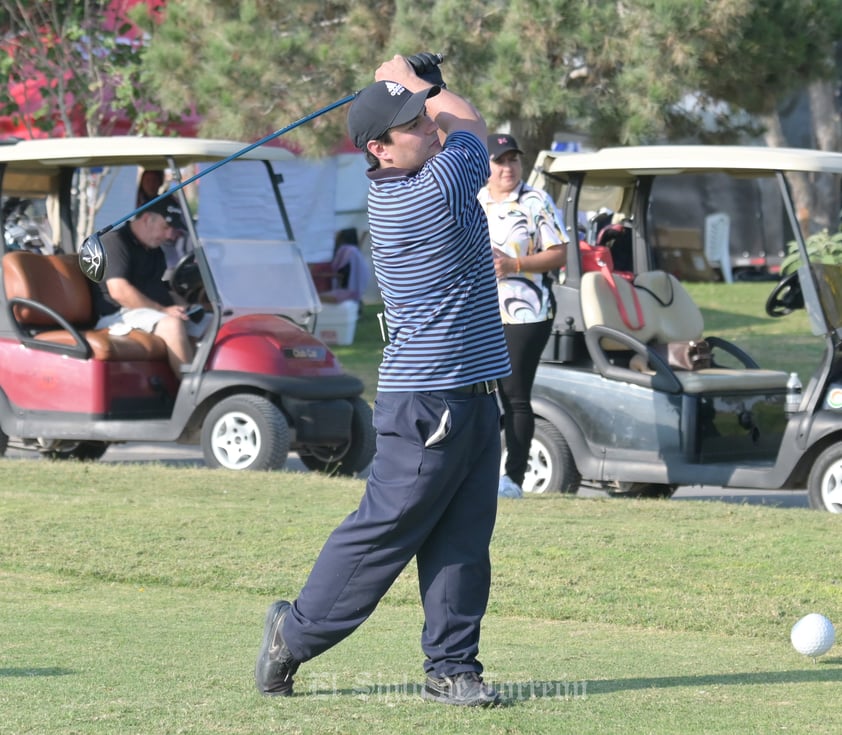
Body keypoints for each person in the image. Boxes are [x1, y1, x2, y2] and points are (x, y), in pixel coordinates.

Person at [255, 54, 511, 707]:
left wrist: (410, 87)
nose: (428, 126)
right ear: (379, 150)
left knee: (463, 535)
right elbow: (471, 127)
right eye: (412, 124)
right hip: (430, 399)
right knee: (386, 530)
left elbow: (450, 124)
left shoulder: (419, 174)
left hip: (474, 389)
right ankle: (295, 632)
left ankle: (452, 667)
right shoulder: (428, 192)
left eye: (423, 117)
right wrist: (426, 81)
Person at [477, 133, 568, 499]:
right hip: (480, 311)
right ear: (487, 165)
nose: (508, 168)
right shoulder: (474, 200)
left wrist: (514, 264)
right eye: (500, 160)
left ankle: (512, 478)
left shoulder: (535, 201)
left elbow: (559, 253)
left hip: (527, 312)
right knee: (478, 393)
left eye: (513, 160)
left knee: (513, 395)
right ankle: (478, 471)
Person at [91, 195, 203, 375]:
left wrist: (183, 306)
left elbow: (161, 288)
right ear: (146, 219)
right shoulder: (114, 242)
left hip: (148, 314)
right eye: (165, 227)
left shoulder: (154, 250)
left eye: (171, 229)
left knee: (209, 322)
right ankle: (192, 393)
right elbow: (119, 291)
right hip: (117, 316)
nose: (168, 235)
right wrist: (163, 311)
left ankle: (217, 382)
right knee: (172, 325)